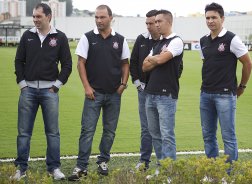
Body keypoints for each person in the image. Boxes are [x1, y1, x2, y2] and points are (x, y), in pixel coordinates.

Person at [68, 5, 130, 181]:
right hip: (93, 94)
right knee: (87, 130)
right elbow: (80, 63)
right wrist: (87, 87)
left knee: (109, 131)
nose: (99, 20)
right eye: (96, 17)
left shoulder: (120, 39)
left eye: (102, 17)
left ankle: (103, 161)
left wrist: (123, 84)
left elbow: (125, 63)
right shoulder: (87, 37)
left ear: (111, 18)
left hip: (114, 94)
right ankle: (81, 166)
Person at [12, 3, 72, 181]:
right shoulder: (27, 36)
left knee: (52, 132)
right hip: (28, 91)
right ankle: (21, 168)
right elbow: (18, 61)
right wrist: (23, 84)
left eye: (39, 16)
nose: (35, 20)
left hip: (50, 92)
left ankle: (54, 168)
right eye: (34, 16)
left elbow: (67, 65)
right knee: (24, 132)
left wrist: (57, 86)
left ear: (48, 17)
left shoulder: (60, 37)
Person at [199, 2, 252, 165]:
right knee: (208, 136)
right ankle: (213, 171)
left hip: (225, 95)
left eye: (214, 17)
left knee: (228, 137)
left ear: (222, 18)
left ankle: (229, 175)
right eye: (207, 18)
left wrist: (242, 86)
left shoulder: (232, 39)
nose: (210, 21)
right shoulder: (203, 41)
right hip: (205, 94)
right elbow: (207, 64)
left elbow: (248, 63)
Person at [142, 10, 184, 162]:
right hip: (150, 93)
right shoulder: (158, 43)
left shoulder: (176, 41)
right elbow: (144, 67)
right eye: (155, 22)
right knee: (155, 135)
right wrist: (158, 57)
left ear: (169, 22)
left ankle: (170, 172)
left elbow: (159, 61)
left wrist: (155, 58)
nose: (156, 25)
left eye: (159, 21)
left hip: (166, 95)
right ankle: (162, 168)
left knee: (167, 135)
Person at [129, 9, 160, 170]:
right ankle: (144, 161)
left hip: (162, 93)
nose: (148, 26)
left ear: (158, 22)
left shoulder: (167, 40)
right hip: (144, 91)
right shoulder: (141, 39)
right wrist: (137, 83)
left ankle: (163, 164)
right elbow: (133, 62)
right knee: (146, 128)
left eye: (151, 23)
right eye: (146, 23)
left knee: (163, 129)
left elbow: (178, 67)